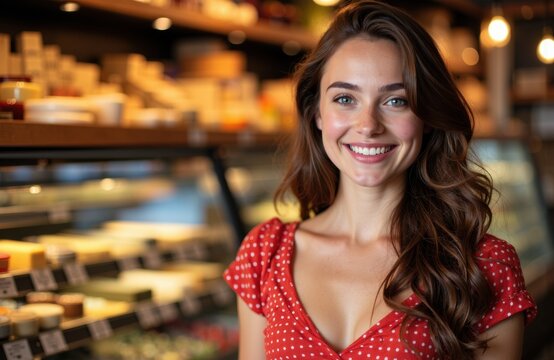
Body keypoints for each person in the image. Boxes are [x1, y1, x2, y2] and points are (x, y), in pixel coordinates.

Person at [223, 1, 537, 359]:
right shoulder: (265, 254)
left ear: (427, 116)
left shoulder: (484, 266)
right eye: (345, 98)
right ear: (316, 113)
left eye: (396, 101)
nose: (368, 125)